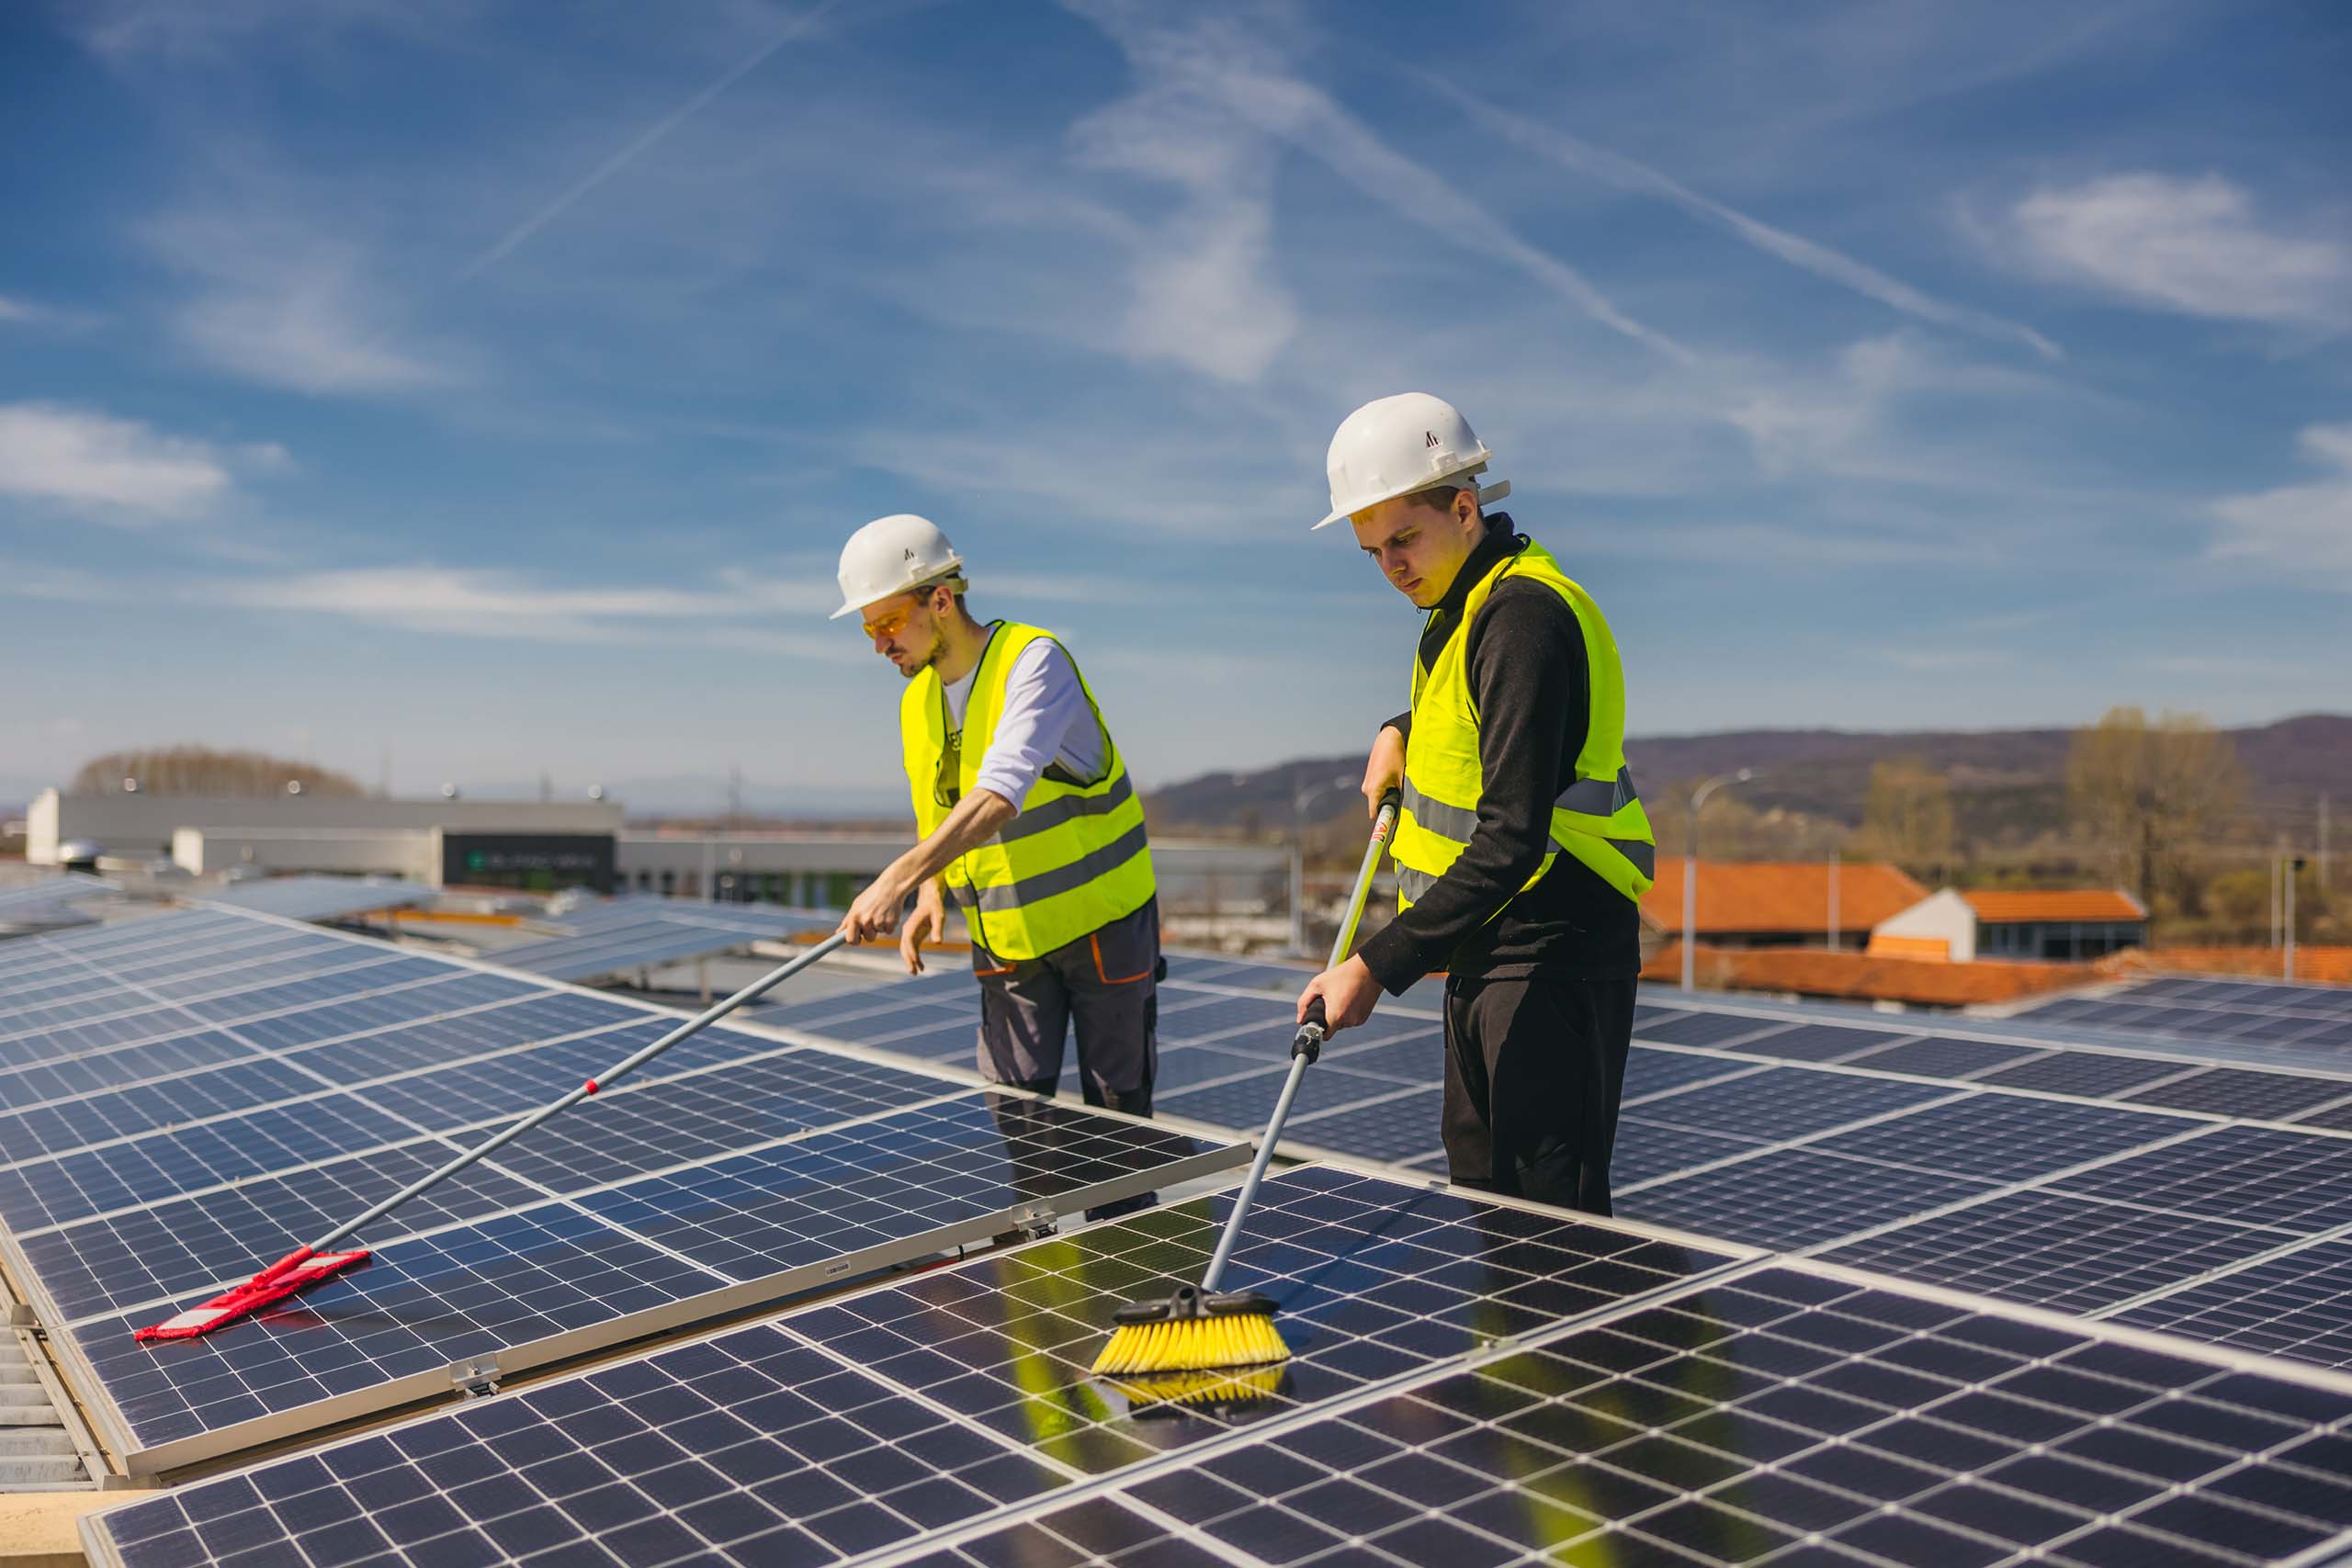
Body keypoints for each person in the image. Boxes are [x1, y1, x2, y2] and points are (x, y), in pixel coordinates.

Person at [1294, 395, 1657, 1215]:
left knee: (1547, 1232)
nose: (1391, 566)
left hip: (1552, 955)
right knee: (1488, 1206)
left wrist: (1373, 967)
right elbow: (1473, 715)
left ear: (1464, 508)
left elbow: (1511, 838)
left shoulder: (1522, 615)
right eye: (1372, 551)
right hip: (1485, 951)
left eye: (1403, 539)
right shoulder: (1463, 607)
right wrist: (1400, 727)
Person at [834, 514, 1163, 1141]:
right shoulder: (916, 701)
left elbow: (1000, 793)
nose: (879, 644)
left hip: (1103, 925)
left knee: (1117, 1127)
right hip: (1007, 942)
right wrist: (929, 891)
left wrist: (895, 880)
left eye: (889, 622)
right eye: (869, 629)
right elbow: (936, 811)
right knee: (1021, 1124)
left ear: (941, 599)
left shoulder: (1032, 663)